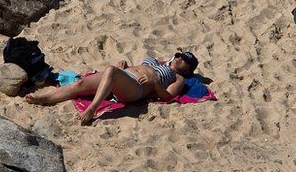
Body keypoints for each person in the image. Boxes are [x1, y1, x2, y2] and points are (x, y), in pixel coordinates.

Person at [25, 52, 199, 125]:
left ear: (188, 69)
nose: (178, 58)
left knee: (110, 70)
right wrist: (126, 66)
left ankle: (92, 109)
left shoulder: (179, 78)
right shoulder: (160, 61)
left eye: (183, 59)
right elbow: (138, 69)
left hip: (137, 89)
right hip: (124, 76)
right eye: (178, 55)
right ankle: (45, 99)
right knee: (80, 84)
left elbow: (169, 96)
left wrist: (153, 84)